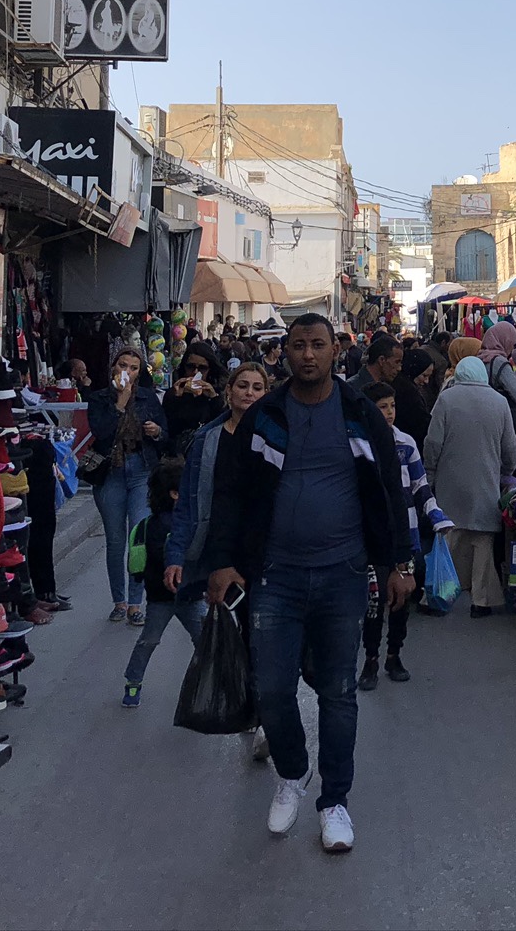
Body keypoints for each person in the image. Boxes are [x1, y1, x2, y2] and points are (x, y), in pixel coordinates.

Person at [202, 313, 413, 854]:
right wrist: (223, 560)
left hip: (344, 575)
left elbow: (391, 488)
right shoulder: (266, 415)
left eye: (318, 345)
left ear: (334, 351)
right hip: (275, 577)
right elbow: (230, 492)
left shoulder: (360, 414)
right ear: (287, 352)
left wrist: (399, 563)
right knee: (272, 688)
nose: (308, 355)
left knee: (339, 693)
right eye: (298, 345)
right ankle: (292, 773)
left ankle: (334, 800)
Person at [167, 360, 272, 763]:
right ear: (227, 392)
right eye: (242, 386)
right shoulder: (207, 441)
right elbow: (188, 505)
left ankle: (262, 715)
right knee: (240, 633)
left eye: (257, 387)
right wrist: (176, 555)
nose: (249, 393)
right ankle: (251, 709)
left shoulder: (275, 437)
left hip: (264, 554)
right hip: (219, 554)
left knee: (261, 632)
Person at [358, 382, 450, 689]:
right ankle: (370, 659)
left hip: (405, 537)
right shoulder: (358, 444)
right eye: (381, 407)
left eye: (392, 406)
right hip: (371, 540)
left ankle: (394, 655)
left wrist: (436, 516)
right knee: (374, 601)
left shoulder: (406, 443)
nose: (388, 413)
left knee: (401, 600)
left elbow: (420, 487)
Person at [422, 355, 516, 618]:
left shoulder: (446, 399)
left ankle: (438, 595)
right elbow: (511, 447)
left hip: (449, 480)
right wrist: (506, 472)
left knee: (448, 538)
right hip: (485, 481)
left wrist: (429, 472)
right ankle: (481, 600)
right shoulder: (499, 403)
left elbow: (433, 442)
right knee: (482, 543)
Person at [87, 349, 168, 626]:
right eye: (123, 365)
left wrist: (157, 432)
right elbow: (101, 433)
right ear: (113, 368)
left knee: (138, 538)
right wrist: (119, 403)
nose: (127, 372)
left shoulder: (147, 396)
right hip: (111, 472)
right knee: (115, 540)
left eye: (134, 368)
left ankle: (135, 603)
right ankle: (118, 601)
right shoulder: (99, 398)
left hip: (141, 469)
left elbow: (164, 433)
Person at [121, 458, 203, 709]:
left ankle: (133, 683)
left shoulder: (150, 524)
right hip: (187, 596)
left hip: (159, 597)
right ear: (175, 494)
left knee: (149, 640)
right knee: (205, 642)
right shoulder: (182, 525)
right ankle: (207, 685)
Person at [162, 344, 224, 455]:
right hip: (180, 455)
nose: (195, 372)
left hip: (206, 452)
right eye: (191, 367)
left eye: (202, 368)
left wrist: (214, 398)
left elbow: (220, 424)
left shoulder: (215, 393)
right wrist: (177, 399)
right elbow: (169, 428)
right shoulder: (174, 393)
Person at [390, 350, 440, 448]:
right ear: (414, 370)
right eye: (424, 376)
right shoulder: (408, 392)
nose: (426, 381)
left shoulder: (401, 384)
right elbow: (420, 423)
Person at [350, 332, 402, 398]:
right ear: (382, 360)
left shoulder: (386, 386)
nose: (399, 368)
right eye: (397, 362)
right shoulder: (352, 389)